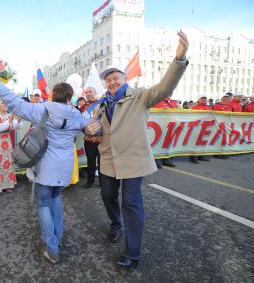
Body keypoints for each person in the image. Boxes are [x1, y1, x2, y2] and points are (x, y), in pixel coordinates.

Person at [95, 31, 189, 268]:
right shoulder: (101, 103)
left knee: (131, 202)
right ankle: (116, 224)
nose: (112, 82)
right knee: (107, 195)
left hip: (133, 160)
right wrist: (91, 135)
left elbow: (165, 88)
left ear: (124, 78)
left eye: (116, 77)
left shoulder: (140, 96)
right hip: (107, 160)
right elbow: (98, 130)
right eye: (108, 79)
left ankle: (132, 253)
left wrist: (179, 59)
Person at [0, 74, 100, 264]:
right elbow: (91, 127)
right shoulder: (77, 114)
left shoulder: (41, 109)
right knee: (55, 197)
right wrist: (92, 126)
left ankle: (52, 248)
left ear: (52, 96)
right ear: (68, 98)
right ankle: (59, 235)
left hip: (45, 167)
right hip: (65, 166)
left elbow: (14, 102)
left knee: (43, 204)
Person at [0, 97, 21, 197]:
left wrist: (18, 121)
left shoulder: (9, 116)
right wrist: (10, 121)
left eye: (6, 103)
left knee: (7, 161)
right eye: (2, 103)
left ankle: (7, 184)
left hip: (6, 141)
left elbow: (16, 127)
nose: (5, 105)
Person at [82, 87, 102, 188]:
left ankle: (103, 182)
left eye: (90, 92)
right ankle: (90, 181)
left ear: (95, 93)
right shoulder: (83, 107)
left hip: (101, 139)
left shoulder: (103, 104)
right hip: (89, 139)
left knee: (102, 161)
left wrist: (102, 136)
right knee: (90, 162)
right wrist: (88, 136)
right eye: (86, 92)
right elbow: (80, 123)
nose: (88, 94)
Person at [151, 96, 178, 168]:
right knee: (158, 144)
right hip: (160, 126)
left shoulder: (172, 102)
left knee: (167, 144)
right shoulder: (157, 101)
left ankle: (166, 160)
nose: (168, 95)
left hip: (171, 127)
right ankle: (156, 160)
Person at [189, 95, 212, 163]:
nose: (204, 100)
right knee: (194, 142)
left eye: (205, 98)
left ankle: (201, 155)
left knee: (203, 142)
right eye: (202, 98)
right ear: (199, 99)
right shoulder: (194, 107)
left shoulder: (209, 107)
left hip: (205, 127)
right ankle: (193, 156)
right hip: (196, 127)